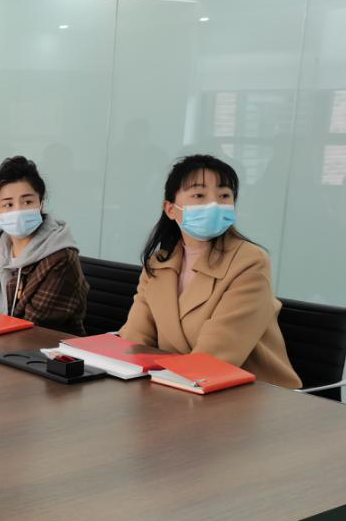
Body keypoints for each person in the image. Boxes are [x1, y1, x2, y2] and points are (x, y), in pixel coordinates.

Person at [119, 154, 300, 387]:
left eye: (224, 195)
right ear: (171, 209)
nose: (214, 204)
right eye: (199, 195)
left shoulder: (250, 261)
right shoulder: (159, 263)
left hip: (245, 394)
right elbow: (135, 342)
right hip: (174, 386)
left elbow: (215, 357)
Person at [0, 156, 88, 334]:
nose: (18, 210)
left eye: (27, 202)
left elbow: (31, 327)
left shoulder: (60, 259)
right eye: (8, 204)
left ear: (40, 204)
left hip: (42, 347)